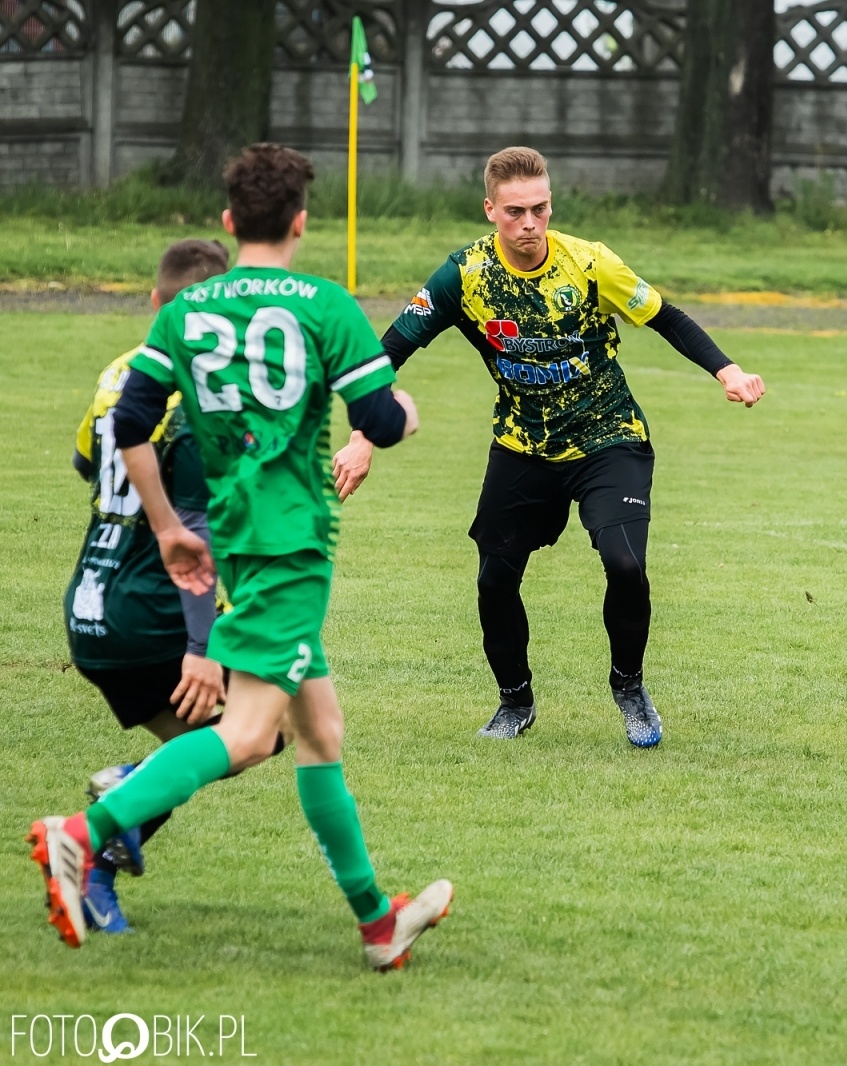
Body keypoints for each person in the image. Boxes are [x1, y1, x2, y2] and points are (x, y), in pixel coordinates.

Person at [29, 143, 453, 970]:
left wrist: (166, 527)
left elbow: (131, 421)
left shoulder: (185, 311)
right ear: (301, 222)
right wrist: (405, 407)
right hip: (291, 546)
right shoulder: (325, 305)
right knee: (251, 734)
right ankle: (83, 832)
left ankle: (377, 923)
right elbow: (381, 420)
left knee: (319, 733)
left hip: (237, 543)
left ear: (229, 220)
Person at [332, 146, 765, 747]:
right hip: (522, 444)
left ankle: (629, 686)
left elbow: (665, 316)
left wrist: (727, 370)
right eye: (515, 212)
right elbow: (390, 351)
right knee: (494, 581)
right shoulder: (464, 276)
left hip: (608, 437)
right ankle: (515, 701)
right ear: (491, 210)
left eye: (539, 209)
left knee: (625, 564)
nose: (530, 223)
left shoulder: (589, 264)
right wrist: (362, 436)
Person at [63, 238, 288, 935]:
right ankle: (113, 810)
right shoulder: (200, 394)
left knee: (215, 741)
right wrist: (201, 645)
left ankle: (98, 862)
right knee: (260, 730)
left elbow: (85, 462)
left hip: (89, 605)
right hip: (152, 612)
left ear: (155, 302)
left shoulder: (118, 372)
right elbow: (195, 531)